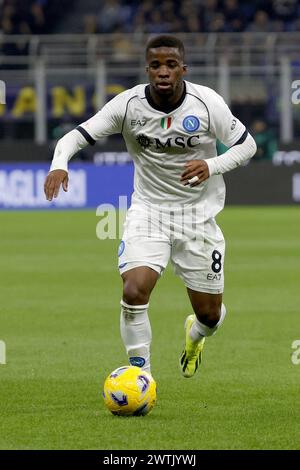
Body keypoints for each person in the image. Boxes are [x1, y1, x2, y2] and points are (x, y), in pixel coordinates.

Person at [44, 35, 257, 379]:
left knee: (210, 316)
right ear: (147, 69)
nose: (163, 71)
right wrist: (59, 163)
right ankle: (140, 376)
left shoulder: (207, 104)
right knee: (134, 290)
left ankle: (196, 335)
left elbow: (247, 146)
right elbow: (74, 136)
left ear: (183, 69)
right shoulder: (127, 106)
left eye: (171, 64)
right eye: (156, 65)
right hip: (149, 213)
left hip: (198, 218)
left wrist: (211, 166)